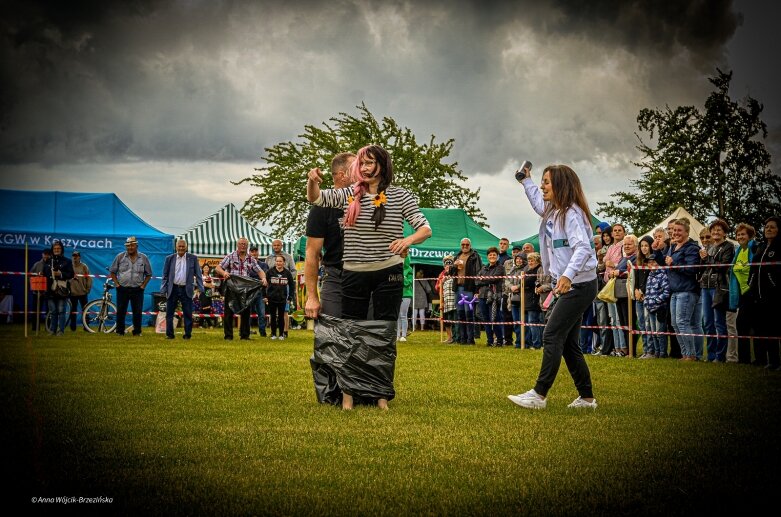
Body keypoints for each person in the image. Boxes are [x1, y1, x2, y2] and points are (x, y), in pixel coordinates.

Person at [307, 144, 432, 410]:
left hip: (389, 273)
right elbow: (317, 199)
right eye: (360, 164)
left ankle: (381, 396)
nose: (363, 168)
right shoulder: (350, 196)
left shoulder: (400, 196)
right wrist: (312, 181)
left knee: (383, 335)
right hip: (353, 273)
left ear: (382, 166)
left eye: (368, 163)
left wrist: (407, 239)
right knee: (351, 334)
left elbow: (425, 228)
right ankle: (349, 398)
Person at [508, 164, 599, 410]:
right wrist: (526, 181)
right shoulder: (554, 211)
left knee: (551, 334)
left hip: (579, 284)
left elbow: (582, 248)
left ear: (560, 185)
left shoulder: (571, 214)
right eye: (542, 181)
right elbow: (538, 203)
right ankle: (587, 399)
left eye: (546, 182)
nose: (542, 186)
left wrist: (567, 276)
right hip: (572, 284)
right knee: (569, 344)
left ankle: (539, 395)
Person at [215, 237, 267, 341]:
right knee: (229, 312)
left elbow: (259, 271)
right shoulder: (230, 256)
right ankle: (228, 336)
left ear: (247, 246)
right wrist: (224, 272)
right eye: (241, 244)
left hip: (245, 289)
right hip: (232, 287)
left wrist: (264, 278)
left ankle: (245, 335)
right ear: (237, 245)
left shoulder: (251, 259)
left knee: (246, 312)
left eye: (245, 244)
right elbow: (218, 268)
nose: (243, 245)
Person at [665, 218, 702, 361]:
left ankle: (691, 355)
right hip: (675, 291)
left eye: (679, 230)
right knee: (675, 324)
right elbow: (665, 262)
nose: (675, 233)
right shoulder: (674, 247)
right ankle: (685, 353)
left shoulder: (692, 248)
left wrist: (674, 262)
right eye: (674, 230)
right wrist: (656, 251)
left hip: (687, 290)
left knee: (682, 322)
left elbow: (692, 269)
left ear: (687, 232)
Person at [698, 219, 735, 362]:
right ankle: (711, 354)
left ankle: (720, 356)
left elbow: (723, 266)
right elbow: (704, 268)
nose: (715, 232)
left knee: (719, 322)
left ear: (725, 233)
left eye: (719, 230)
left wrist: (707, 258)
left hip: (719, 287)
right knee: (707, 322)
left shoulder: (728, 246)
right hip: (705, 287)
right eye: (713, 229)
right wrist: (702, 259)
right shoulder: (710, 247)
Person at [748, 216, 780, 369]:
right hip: (757, 296)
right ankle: (765, 360)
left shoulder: (779, 247)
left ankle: (775, 361)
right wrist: (751, 283)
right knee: (761, 329)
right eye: (767, 227)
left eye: (772, 227)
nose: (768, 229)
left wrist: (774, 284)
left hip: (774, 296)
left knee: (773, 329)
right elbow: (753, 269)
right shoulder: (760, 247)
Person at [161, 239, 204, 340]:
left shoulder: (193, 258)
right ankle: (170, 334)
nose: (181, 248)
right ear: (176, 247)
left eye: (183, 246)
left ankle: (187, 335)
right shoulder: (169, 258)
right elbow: (165, 275)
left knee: (188, 313)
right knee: (169, 313)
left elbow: (198, 274)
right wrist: (163, 289)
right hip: (173, 288)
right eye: (179, 246)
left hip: (186, 289)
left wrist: (200, 288)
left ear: (186, 247)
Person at [109, 236, 153, 336]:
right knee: (121, 311)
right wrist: (117, 284)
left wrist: (143, 286)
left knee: (137, 312)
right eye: (128, 246)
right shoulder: (120, 257)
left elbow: (149, 274)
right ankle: (119, 331)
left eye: (132, 245)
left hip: (137, 289)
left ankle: (137, 331)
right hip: (122, 289)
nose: (130, 247)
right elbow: (112, 272)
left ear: (136, 246)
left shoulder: (143, 258)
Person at [729, 223, 758, 364]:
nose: (740, 237)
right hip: (741, 293)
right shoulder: (739, 250)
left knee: (755, 326)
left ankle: (760, 359)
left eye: (743, 234)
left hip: (753, 292)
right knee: (741, 325)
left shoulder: (754, 248)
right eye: (738, 234)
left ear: (750, 235)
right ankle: (744, 359)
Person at [642, 250, 670, 358]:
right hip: (650, 308)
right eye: (649, 262)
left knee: (660, 332)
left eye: (654, 262)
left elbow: (666, 292)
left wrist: (656, 301)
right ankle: (657, 352)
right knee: (653, 332)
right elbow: (648, 291)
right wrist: (647, 301)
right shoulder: (650, 276)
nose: (651, 264)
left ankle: (663, 353)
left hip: (659, 308)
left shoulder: (662, 275)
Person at [265, 238, 296, 337]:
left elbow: (294, 271)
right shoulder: (268, 258)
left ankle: (285, 331)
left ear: (281, 246)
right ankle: (273, 332)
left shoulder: (288, 257)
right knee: (272, 313)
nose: (276, 247)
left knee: (284, 312)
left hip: (284, 287)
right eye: (274, 245)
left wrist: (286, 280)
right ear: (272, 246)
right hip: (272, 288)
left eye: (278, 245)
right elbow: (266, 274)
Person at [604, 224, 627, 354]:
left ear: (624, 233)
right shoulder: (610, 247)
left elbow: (626, 263)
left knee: (618, 318)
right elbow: (603, 264)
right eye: (615, 231)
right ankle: (617, 347)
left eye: (620, 230)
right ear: (612, 234)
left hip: (618, 282)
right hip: (608, 283)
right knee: (612, 318)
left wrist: (613, 264)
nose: (617, 233)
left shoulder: (624, 245)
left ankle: (623, 347)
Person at [454, 237, 482, 345]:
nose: (465, 246)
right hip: (459, 287)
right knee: (460, 313)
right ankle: (462, 338)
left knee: (469, 313)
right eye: (463, 245)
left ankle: (471, 339)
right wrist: (454, 266)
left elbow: (478, 272)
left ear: (470, 246)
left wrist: (477, 289)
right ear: (460, 246)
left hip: (469, 288)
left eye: (467, 245)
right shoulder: (457, 256)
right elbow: (452, 272)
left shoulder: (475, 256)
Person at [475, 246, 505, 347]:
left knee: (495, 319)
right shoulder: (484, 268)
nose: (492, 256)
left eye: (494, 255)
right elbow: (476, 281)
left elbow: (494, 279)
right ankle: (489, 340)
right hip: (482, 296)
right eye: (490, 255)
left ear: (497, 256)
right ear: (487, 256)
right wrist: (484, 280)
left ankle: (500, 340)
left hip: (494, 296)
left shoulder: (500, 267)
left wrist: (483, 280)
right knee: (485, 319)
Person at [44, 241, 74, 336]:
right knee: (53, 311)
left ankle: (60, 331)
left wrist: (60, 274)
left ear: (62, 250)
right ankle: (52, 330)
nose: (56, 250)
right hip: (50, 290)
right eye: (55, 249)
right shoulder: (48, 261)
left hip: (62, 290)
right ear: (52, 250)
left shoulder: (67, 261)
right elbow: (45, 274)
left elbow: (71, 274)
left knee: (61, 311)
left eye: (58, 248)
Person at [595, 227, 614, 356]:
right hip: (600, 288)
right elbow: (599, 268)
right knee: (601, 320)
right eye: (603, 236)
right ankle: (603, 347)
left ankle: (612, 348)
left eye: (607, 235)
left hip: (611, 288)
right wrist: (601, 260)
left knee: (611, 319)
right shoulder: (602, 251)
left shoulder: (615, 248)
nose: (606, 238)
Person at [634, 236, 654, 358]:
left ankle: (651, 351)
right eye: (642, 246)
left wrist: (643, 292)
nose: (644, 248)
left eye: (646, 245)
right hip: (638, 296)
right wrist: (636, 290)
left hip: (648, 295)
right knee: (641, 324)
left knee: (648, 324)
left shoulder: (652, 261)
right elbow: (636, 278)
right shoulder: (639, 261)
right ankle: (646, 350)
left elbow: (651, 279)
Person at [504, 252, 526, 348]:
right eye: (517, 258)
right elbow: (506, 280)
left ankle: (525, 342)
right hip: (513, 297)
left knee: (524, 321)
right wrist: (511, 286)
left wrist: (518, 286)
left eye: (521, 258)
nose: (519, 260)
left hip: (524, 298)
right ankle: (518, 342)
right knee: (516, 321)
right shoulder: (513, 269)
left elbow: (527, 281)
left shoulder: (527, 269)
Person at [523, 252, 544, 349]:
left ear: (537, 261)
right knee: (532, 322)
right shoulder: (528, 270)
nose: (530, 262)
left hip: (535, 299)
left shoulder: (539, 269)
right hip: (528, 298)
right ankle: (534, 342)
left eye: (532, 260)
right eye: (529, 260)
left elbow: (531, 282)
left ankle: (537, 344)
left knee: (533, 322)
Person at [67, 250, 93, 331]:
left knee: (86, 310)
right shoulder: (69, 266)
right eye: (73, 255)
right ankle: (73, 327)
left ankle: (86, 327)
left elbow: (89, 278)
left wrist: (88, 288)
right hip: (72, 293)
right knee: (73, 311)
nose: (75, 257)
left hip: (83, 292)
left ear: (79, 257)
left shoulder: (84, 266)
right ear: (72, 257)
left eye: (76, 256)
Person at [436, 254, 458, 344]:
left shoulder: (456, 273)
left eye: (449, 264)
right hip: (445, 300)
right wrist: (442, 281)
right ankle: (449, 337)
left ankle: (456, 337)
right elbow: (437, 287)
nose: (448, 266)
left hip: (454, 300)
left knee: (454, 319)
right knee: (446, 320)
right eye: (446, 264)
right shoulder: (442, 274)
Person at [397, 255, 413, 342]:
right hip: (397, 294)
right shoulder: (396, 269)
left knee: (403, 315)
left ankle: (403, 335)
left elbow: (408, 283)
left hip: (406, 294)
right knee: (397, 315)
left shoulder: (409, 269)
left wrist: (402, 278)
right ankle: (397, 335)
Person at [198, 264, 218, 328]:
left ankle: (201, 324)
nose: (206, 269)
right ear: (202, 269)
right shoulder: (200, 276)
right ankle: (209, 324)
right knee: (203, 308)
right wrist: (208, 285)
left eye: (207, 268)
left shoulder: (210, 276)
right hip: (203, 293)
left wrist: (208, 285)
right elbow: (203, 284)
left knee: (208, 308)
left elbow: (213, 285)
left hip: (209, 293)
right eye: (205, 268)